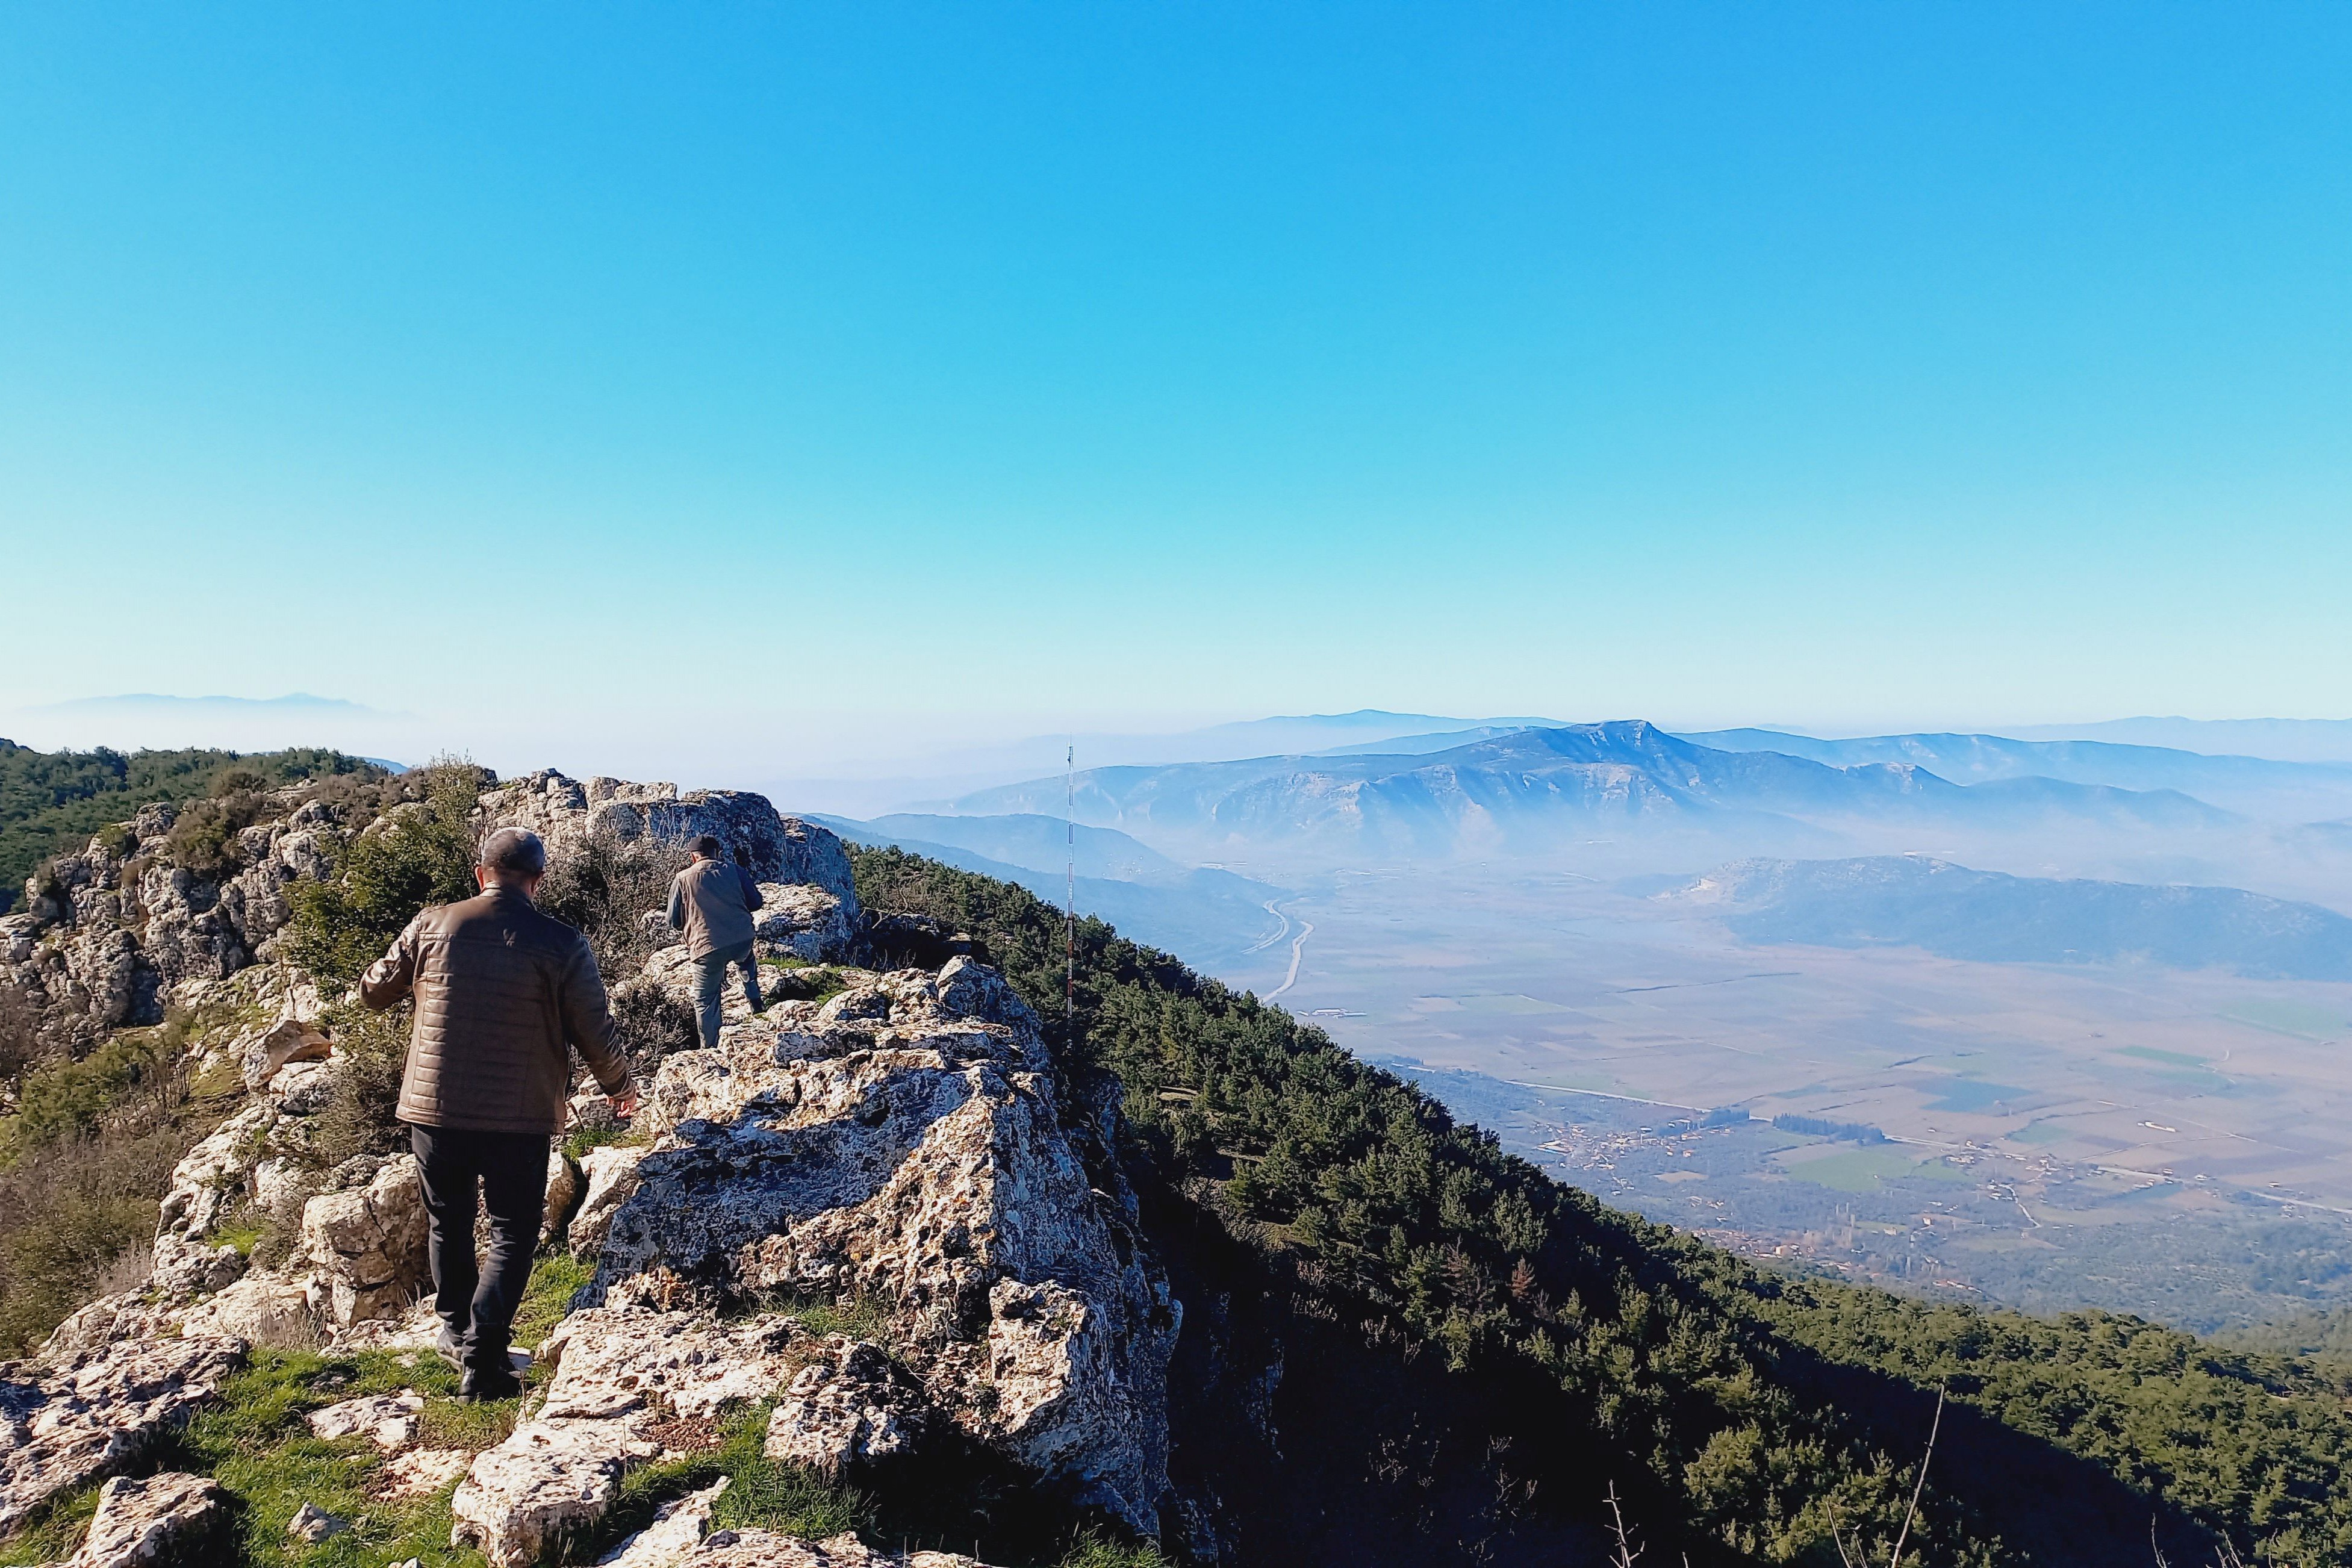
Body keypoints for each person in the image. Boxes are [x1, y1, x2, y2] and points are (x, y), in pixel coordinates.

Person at [359, 826, 636, 1401]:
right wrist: (619, 1086)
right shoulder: (562, 943)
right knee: (513, 1231)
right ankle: (484, 1362)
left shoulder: (432, 923)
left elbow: (374, 989)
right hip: (519, 1115)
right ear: (537, 881)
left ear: (480, 874)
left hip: (434, 1110)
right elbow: (594, 1028)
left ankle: (456, 1330)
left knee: (449, 1222)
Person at [668, 833, 765, 1050]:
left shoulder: (682, 879)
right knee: (746, 962)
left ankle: (710, 1048)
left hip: (707, 947)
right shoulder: (735, 871)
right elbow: (756, 903)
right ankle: (757, 1005)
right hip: (742, 938)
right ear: (717, 853)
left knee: (705, 999)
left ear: (693, 857)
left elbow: (673, 920)